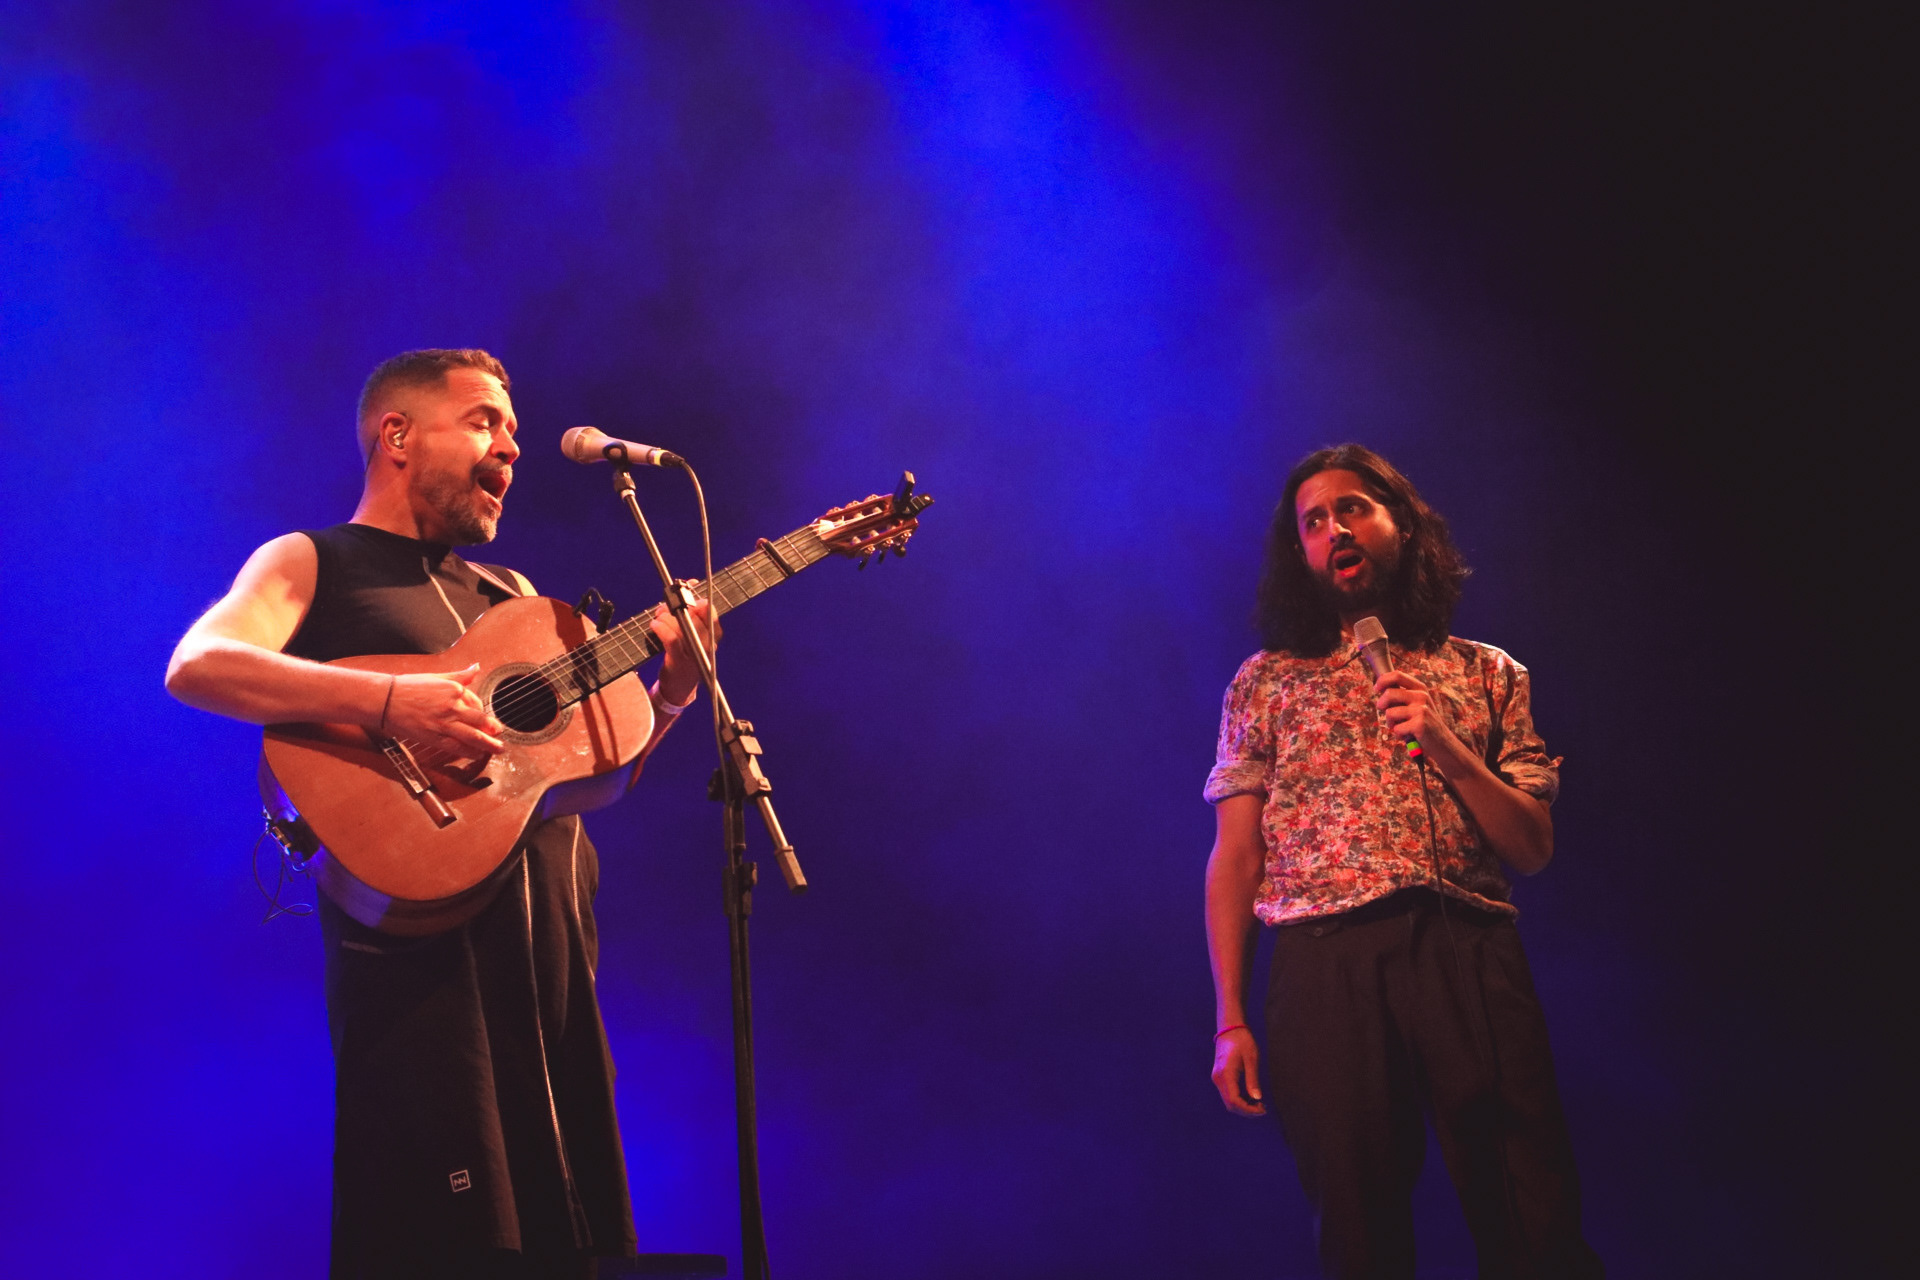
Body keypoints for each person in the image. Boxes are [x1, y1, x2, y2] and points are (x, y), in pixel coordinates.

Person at [166, 349, 715, 1279]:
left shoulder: (514, 599)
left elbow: (590, 778)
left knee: (576, 1237)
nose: (512, 447)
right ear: (398, 435)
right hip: (423, 980)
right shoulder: (315, 560)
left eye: (514, 430)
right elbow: (199, 665)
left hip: (552, 973)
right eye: (484, 421)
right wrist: (390, 702)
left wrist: (674, 694)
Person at [1204, 444, 1603, 1279]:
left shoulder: (1488, 672)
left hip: (1467, 949)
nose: (1335, 529)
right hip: (1325, 964)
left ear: (1404, 526)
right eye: (1314, 521)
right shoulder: (1266, 683)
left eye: (1353, 507)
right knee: (1358, 1229)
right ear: (1301, 553)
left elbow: (1532, 848)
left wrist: (1447, 746)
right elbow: (1236, 857)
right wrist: (1230, 1018)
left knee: (1531, 1213)